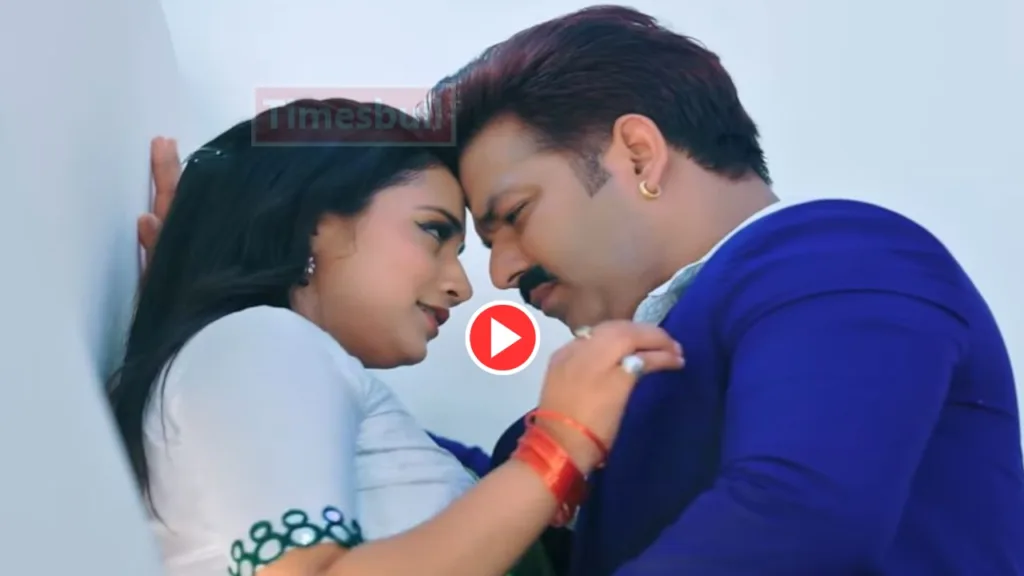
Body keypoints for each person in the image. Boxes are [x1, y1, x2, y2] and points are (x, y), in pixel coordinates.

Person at [423, 5, 1024, 576]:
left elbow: (793, 515)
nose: (501, 273)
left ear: (638, 156)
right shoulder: (590, 407)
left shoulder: (837, 257)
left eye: (516, 215)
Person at [111, 98, 684, 576]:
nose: (462, 286)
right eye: (432, 230)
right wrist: (558, 446)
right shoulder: (262, 340)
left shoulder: (258, 358)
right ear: (311, 223)